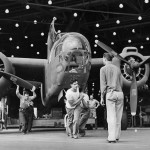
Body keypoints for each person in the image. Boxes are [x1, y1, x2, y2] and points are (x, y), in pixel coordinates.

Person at [100, 53, 124, 143]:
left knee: (111, 117)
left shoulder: (103, 69)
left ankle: (112, 137)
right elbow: (121, 82)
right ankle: (117, 136)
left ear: (104, 59)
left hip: (110, 93)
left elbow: (103, 85)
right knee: (118, 116)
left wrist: (102, 97)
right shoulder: (117, 69)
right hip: (120, 93)